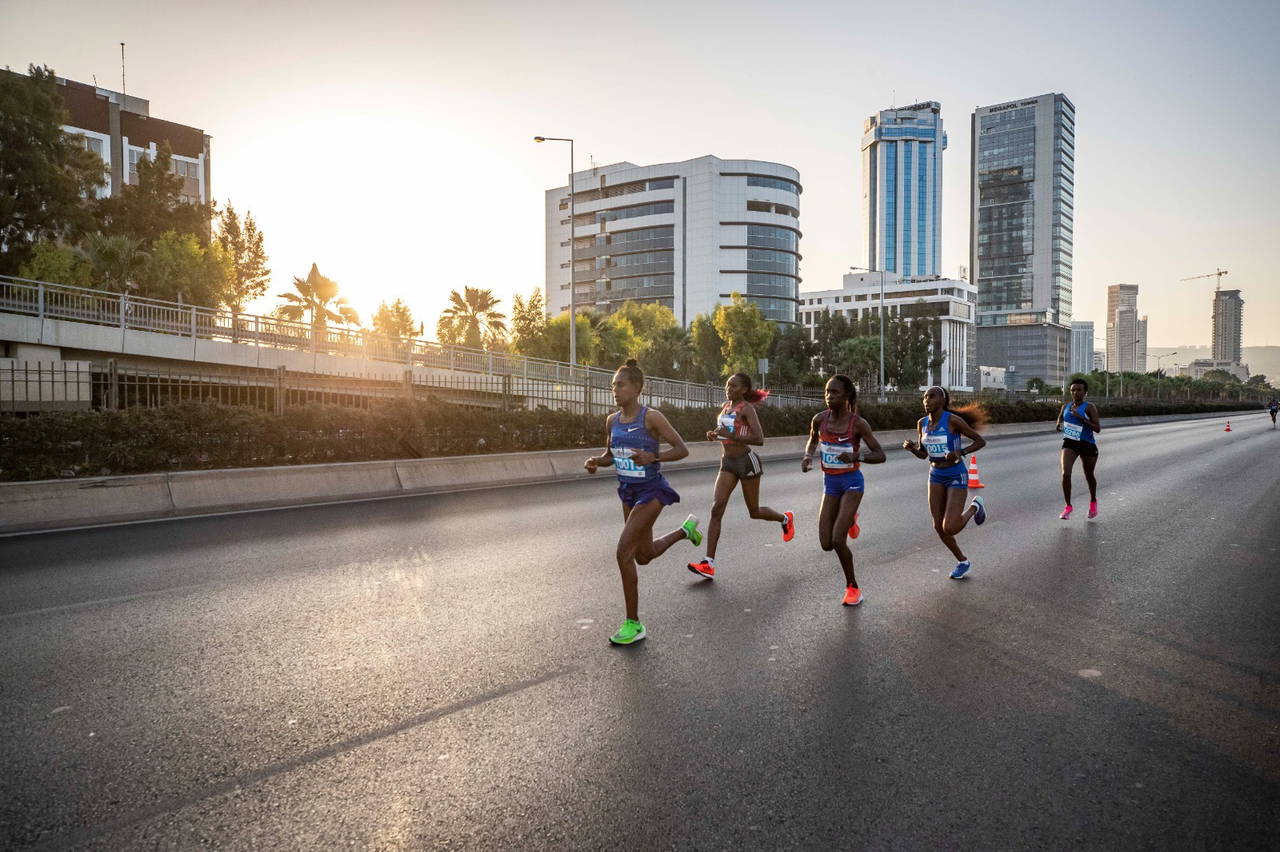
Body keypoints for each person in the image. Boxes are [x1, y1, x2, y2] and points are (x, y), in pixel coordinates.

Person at [584, 360, 702, 646]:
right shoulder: (612, 420)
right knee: (643, 555)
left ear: (636, 388)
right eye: (613, 385)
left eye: (621, 384)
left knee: (623, 552)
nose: (615, 389)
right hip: (627, 492)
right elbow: (611, 454)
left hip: (651, 491)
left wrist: (654, 457)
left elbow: (682, 449)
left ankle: (633, 624)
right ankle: (685, 531)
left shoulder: (652, 418)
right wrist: (596, 462)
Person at [687, 373, 795, 579]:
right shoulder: (726, 406)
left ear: (744, 389)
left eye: (733, 385)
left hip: (746, 462)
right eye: (727, 384)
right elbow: (724, 431)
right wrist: (715, 434)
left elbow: (759, 438)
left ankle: (785, 518)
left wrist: (731, 436)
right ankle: (708, 563)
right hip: (727, 462)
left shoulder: (747, 408)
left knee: (754, 511)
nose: (728, 388)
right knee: (717, 508)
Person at [801, 375, 886, 605]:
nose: (829, 396)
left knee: (839, 540)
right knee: (826, 544)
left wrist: (856, 456)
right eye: (827, 392)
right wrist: (808, 456)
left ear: (846, 395)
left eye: (835, 392)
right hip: (831, 484)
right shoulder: (819, 419)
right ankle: (850, 519)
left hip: (852, 483)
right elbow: (812, 441)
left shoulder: (858, 424)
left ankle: (852, 587)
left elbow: (880, 455)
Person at [902, 386, 988, 579]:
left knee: (949, 527)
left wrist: (960, 453)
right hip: (935, 474)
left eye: (931, 396)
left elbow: (980, 441)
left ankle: (975, 506)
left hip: (956, 473)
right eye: (924, 397)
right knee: (938, 527)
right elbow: (924, 454)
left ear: (942, 400)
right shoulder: (921, 423)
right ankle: (963, 561)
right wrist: (912, 449)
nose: (926, 400)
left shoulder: (952, 420)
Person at [1055, 378, 1102, 519]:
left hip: (1087, 444)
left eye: (1079, 390)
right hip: (1070, 443)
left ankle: (1093, 502)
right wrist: (1058, 424)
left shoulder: (1089, 407)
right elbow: (1060, 418)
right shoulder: (1066, 406)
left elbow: (1097, 428)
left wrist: (1081, 418)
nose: (1075, 392)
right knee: (1065, 473)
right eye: (1073, 390)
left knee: (1089, 476)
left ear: (1085, 392)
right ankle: (1068, 506)